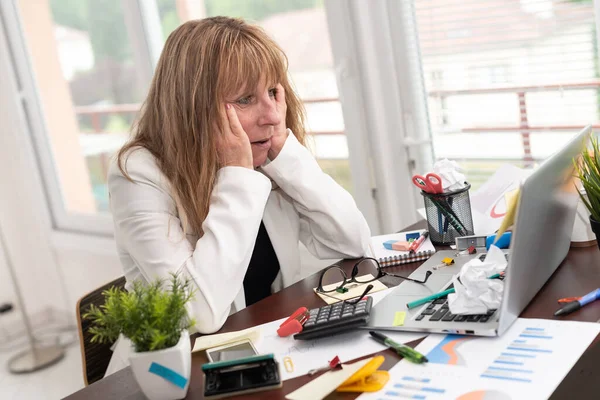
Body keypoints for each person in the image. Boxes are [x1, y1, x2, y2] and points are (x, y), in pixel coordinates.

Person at [104, 16, 371, 374]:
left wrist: (290, 160)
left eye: (274, 92)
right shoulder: (138, 173)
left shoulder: (267, 153)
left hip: (262, 348)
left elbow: (354, 245)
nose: (273, 115)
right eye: (245, 99)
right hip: (175, 375)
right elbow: (199, 310)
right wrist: (238, 176)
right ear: (194, 108)